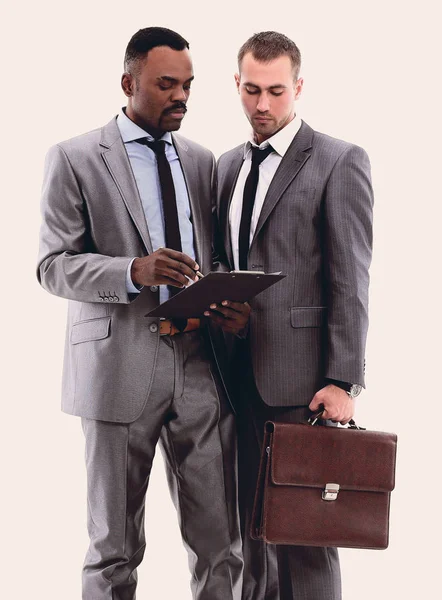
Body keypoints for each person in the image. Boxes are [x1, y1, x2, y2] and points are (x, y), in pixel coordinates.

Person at [37, 26, 249, 600]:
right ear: (128, 82)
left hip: (200, 368)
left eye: (187, 85)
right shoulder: (76, 157)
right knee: (114, 551)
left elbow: (213, 256)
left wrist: (227, 300)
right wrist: (133, 271)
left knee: (220, 543)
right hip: (116, 370)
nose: (181, 96)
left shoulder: (203, 161)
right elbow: (52, 266)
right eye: (165, 84)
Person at [210, 31, 373, 600]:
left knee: (305, 539)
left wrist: (342, 379)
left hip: (303, 384)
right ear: (236, 84)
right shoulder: (227, 166)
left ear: (298, 88)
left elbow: (350, 279)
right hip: (233, 377)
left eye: (276, 91)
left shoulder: (338, 160)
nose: (262, 104)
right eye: (251, 90)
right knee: (251, 532)